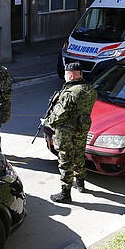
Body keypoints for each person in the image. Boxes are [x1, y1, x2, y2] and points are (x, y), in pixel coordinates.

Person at [45, 61, 97, 204]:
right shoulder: (90, 89)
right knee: (79, 154)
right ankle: (80, 184)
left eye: (66, 74)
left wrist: (47, 122)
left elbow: (59, 114)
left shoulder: (70, 92)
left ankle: (65, 193)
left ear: (70, 75)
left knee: (65, 160)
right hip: (81, 129)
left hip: (66, 131)